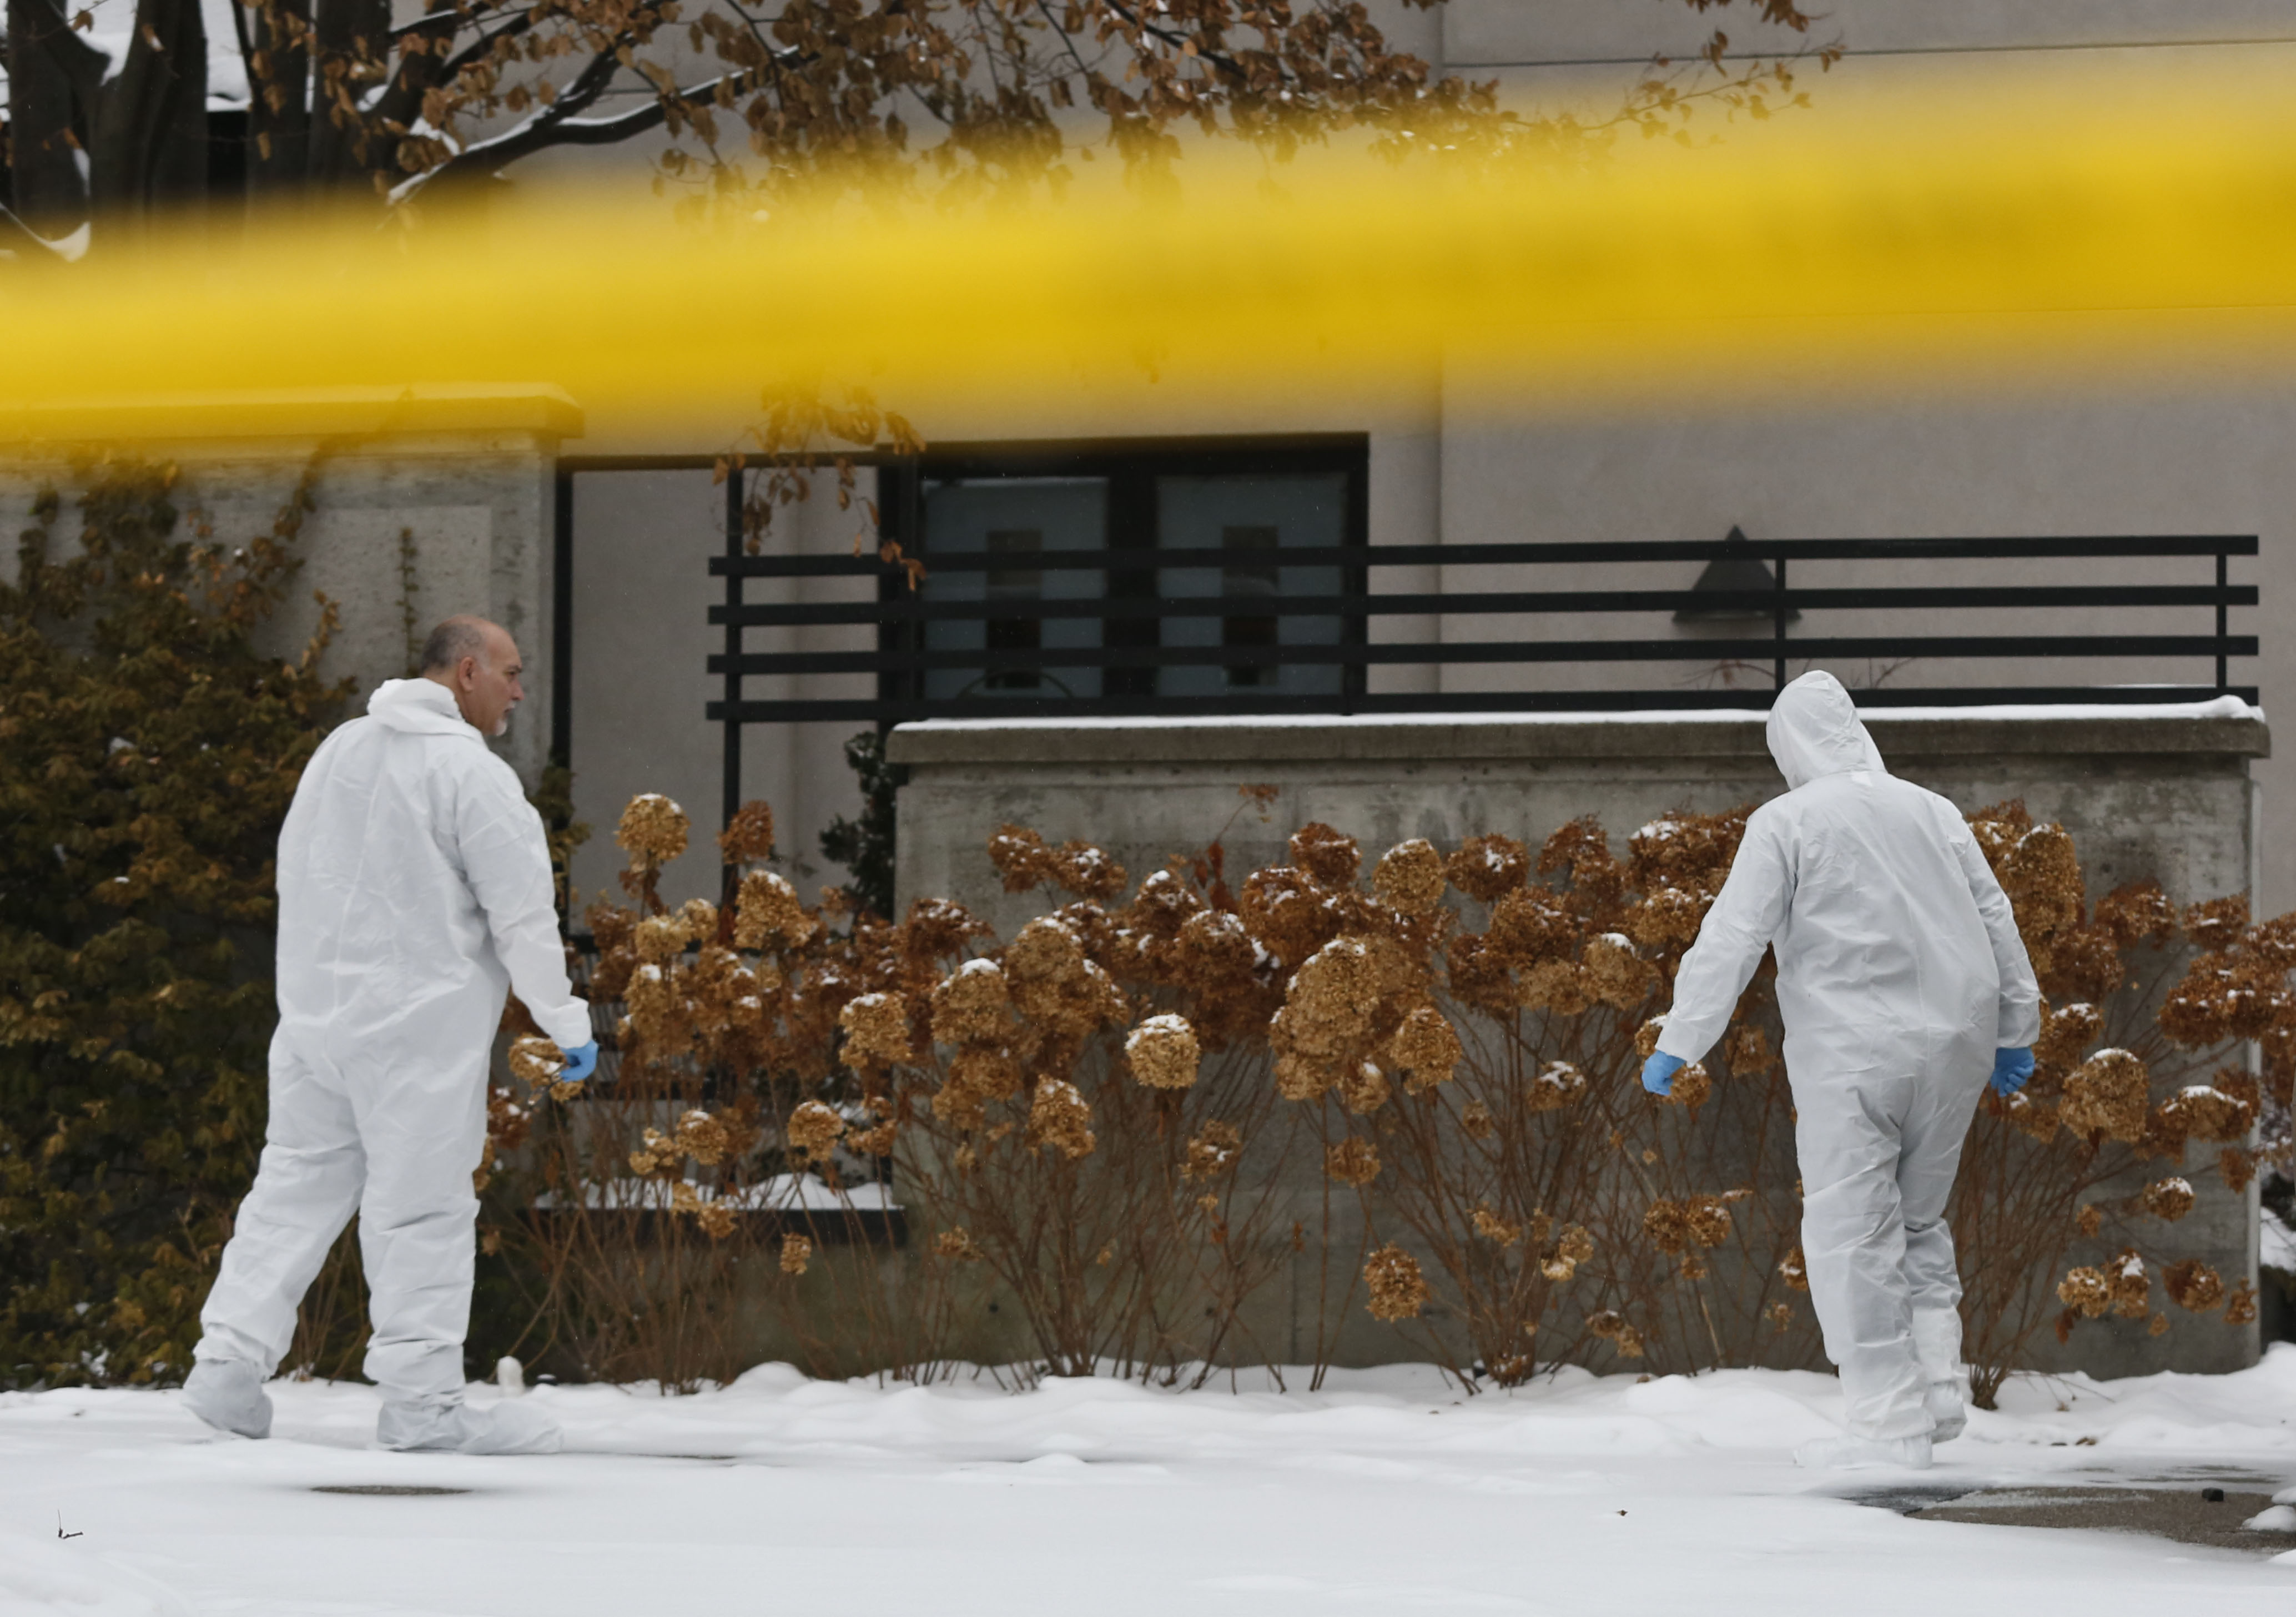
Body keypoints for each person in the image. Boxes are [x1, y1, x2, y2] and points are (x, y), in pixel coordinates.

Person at [182, 616, 598, 1454]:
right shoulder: (470, 777)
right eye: (512, 673)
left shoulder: (340, 749)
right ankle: (422, 1406)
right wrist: (568, 1023)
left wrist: (307, 999)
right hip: (416, 1030)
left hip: (316, 1026)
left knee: (292, 1190)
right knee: (423, 1210)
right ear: (469, 671)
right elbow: (522, 919)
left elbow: (298, 870)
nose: (520, 690)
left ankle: (225, 1368)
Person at [1639, 671, 2039, 1470]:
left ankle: (1889, 1429)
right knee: (1917, 1220)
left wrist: (1682, 1037)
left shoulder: (1787, 820)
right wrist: (2014, 1030)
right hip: (1955, 1043)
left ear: (1788, 747)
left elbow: (1733, 934)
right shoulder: (1933, 810)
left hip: (1855, 1051)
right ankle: (1936, 1394)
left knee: (1852, 1228)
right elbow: (1996, 915)